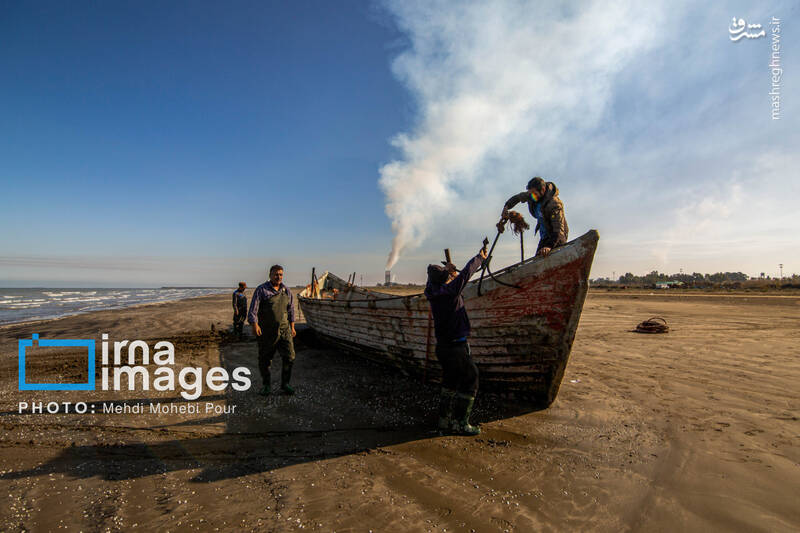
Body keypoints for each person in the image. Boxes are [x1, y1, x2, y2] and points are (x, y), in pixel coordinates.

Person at [424, 246, 488, 436]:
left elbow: (434, 278)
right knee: (471, 378)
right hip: (456, 347)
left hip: (443, 348)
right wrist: (479, 257)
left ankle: (444, 420)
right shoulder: (450, 292)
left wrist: (447, 272)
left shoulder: (431, 290)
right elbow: (466, 273)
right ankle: (461, 423)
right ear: (445, 279)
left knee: (450, 381)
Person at [247, 265, 297, 396]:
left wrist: (292, 327)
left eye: (280, 275)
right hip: (267, 331)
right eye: (276, 274)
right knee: (265, 358)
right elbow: (253, 310)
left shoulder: (286, 290)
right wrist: (255, 325)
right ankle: (266, 385)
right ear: (270, 275)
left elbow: (291, 310)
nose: (278, 277)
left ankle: (285, 384)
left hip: (284, 330)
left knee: (290, 356)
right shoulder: (261, 290)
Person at [499, 176, 569, 257]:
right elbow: (517, 198)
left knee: (550, 258)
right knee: (537, 260)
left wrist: (549, 246)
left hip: (556, 237)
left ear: (542, 190)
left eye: (534, 194)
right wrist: (506, 207)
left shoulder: (554, 204)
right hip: (544, 237)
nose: (532, 196)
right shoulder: (532, 195)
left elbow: (558, 228)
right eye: (530, 194)